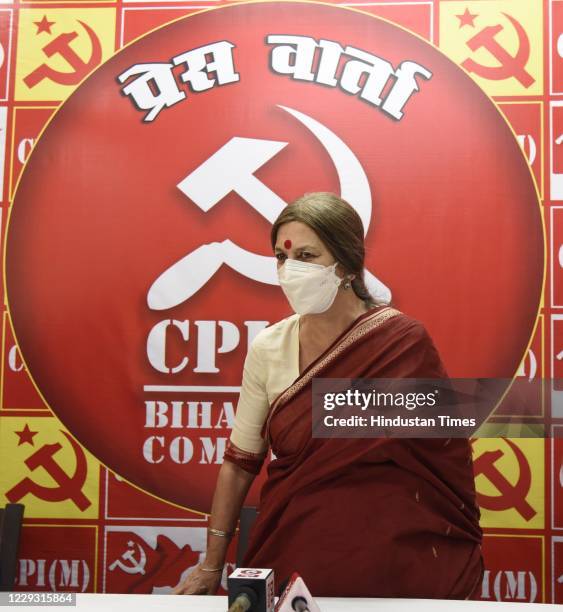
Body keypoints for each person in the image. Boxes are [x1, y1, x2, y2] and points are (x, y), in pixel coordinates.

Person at [173, 192, 484, 599]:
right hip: (297, 552)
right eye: (282, 257)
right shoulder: (269, 347)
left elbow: (441, 458)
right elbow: (239, 463)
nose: (289, 270)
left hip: (398, 560)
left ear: (346, 263)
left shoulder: (402, 342)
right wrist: (210, 566)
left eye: (306, 255)